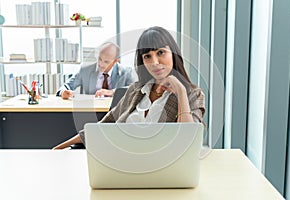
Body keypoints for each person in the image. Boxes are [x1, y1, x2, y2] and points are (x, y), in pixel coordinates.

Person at [52, 26, 205, 149]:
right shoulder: (135, 91)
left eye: (161, 52)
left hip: (162, 170)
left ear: (173, 54)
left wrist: (181, 91)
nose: (155, 61)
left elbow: (188, 143)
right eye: (147, 56)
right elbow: (102, 127)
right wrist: (58, 149)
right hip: (120, 165)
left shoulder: (193, 95)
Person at [56, 42, 137, 99]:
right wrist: (63, 92)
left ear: (116, 61)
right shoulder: (85, 70)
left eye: (106, 62)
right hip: (91, 113)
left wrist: (112, 92)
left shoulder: (126, 72)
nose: (101, 64)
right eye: (100, 59)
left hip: (116, 114)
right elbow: (65, 86)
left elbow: (135, 90)